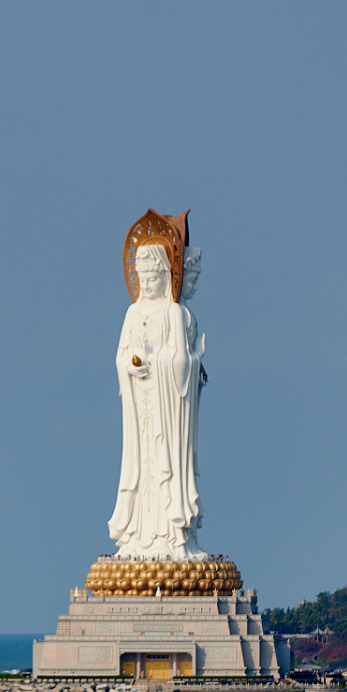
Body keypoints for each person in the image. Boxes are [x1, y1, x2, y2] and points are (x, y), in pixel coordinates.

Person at [108, 210, 205, 557]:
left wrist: (167, 362)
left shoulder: (174, 314)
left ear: (167, 276)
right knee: (141, 469)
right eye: (142, 279)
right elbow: (120, 357)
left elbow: (181, 360)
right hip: (142, 411)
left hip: (167, 411)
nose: (146, 285)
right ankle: (137, 537)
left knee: (167, 471)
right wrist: (131, 365)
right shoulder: (132, 314)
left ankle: (173, 537)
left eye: (153, 279)